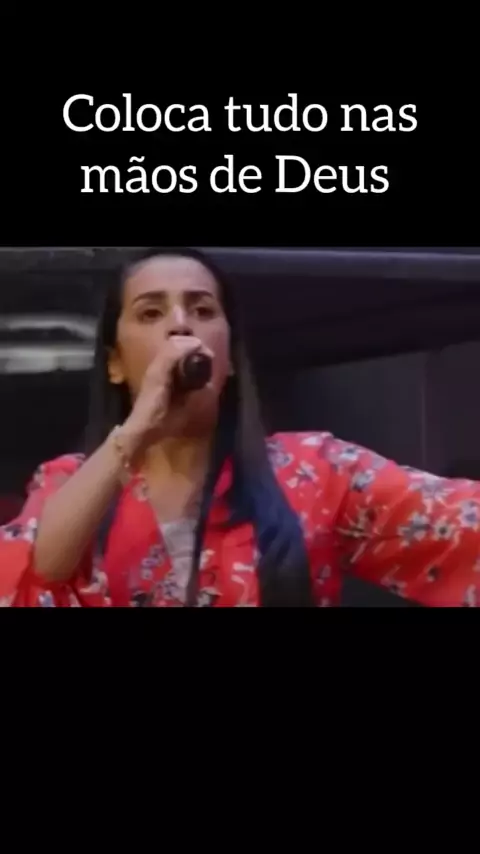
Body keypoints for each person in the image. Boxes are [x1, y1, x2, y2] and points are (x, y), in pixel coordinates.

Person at [1, 246, 480, 608]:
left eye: (203, 310)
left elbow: (461, 527)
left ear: (228, 359)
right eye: (151, 312)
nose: (180, 326)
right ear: (115, 364)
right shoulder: (70, 483)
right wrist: (139, 428)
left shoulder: (315, 471)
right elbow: (32, 573)